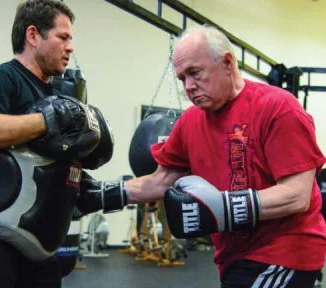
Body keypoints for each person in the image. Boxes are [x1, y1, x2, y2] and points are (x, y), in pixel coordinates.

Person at [119, 25, 326, 287]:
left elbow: (297, 195)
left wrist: (222, 207)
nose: (188, 87)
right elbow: (160, 181)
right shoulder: (190, 121)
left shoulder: (278, 108)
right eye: (182, 78)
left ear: (227, 63)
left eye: (195, 73)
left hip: (284, 252)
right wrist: (102, 194)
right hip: (232, 255)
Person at [0, 1, 107, 287]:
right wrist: (47, 121)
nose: (70, 48)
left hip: (36, 245)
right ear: (33, 36)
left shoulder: (53, 94)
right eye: (63, 37)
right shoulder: (4, 78)